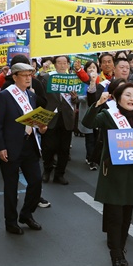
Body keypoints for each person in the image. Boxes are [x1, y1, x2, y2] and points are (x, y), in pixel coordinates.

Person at [82, 82, 133, 266]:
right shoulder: (108, 115)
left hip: (131, 174)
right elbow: (88, 123)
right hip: (112, 173)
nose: (131, 99)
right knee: (114, 218)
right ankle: (115, 258)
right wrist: (99, 103)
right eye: (127, 95)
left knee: (126, 217)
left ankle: (121, 249)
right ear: (118, 98)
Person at [0, 62, 48, 235]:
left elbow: (32, 120)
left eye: (30, 75)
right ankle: (11, 222)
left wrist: (42, 127)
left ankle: (26, 214)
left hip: (30, 144)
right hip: (10, 147)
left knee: (36, 181)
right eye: (24, 75)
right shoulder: (4, 96)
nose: (28, 78)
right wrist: (0, 147)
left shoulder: (31, 96)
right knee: (11, 187)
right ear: (15, 77)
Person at [39, 55, 79, 185]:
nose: (62, 65)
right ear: (55, 65)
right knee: (48, 147)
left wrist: (74, 98)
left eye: (64, 63)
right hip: (51, 116)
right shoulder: (47, 78)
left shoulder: (73, 79)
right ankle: (47, 170)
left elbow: (77, 100)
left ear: (68, 64)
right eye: (59, 63)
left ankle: (59, 174)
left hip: (66, 118)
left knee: (64, 149)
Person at [78, 60, 100, 171]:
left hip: (98, 114)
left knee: (97, 138)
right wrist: (89, 95)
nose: (92, 70)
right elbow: (78, 97)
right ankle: (91, 160)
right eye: (89, 68)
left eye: (94, 68)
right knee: (90, 139)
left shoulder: (101, 81)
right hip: (86, 113)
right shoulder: (82, 82)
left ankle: (94, 158)